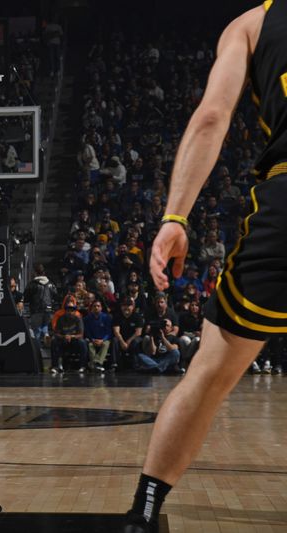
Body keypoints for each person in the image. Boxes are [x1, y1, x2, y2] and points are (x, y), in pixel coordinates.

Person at [124, 4, 286, 531]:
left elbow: (213, 115)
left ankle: (145, 511)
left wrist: (175, 216)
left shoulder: (252, 25)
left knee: (210, 375)